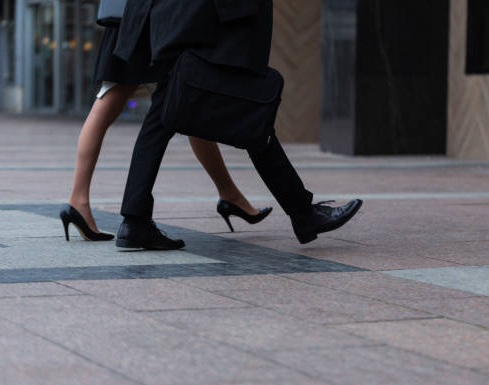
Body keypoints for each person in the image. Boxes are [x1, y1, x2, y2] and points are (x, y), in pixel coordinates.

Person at [113, 0, 363, 250]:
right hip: (206, 17)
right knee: (250, 110)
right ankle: (302, 213)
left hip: (183, 17)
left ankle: (134, 219)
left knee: (174, 116)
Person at [60, 26, 272, 242]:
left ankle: (229, 194)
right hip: (138, 26)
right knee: (108, 106)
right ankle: (78, 200)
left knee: (188, 108)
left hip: (137, 25)